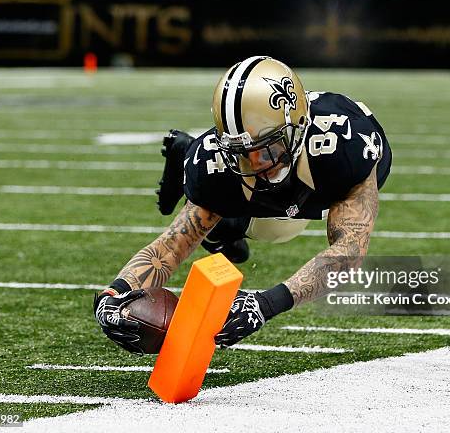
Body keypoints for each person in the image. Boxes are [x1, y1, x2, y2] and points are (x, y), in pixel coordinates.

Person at [94, 56, 392, 353]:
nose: (255, 164)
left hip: (318, 179)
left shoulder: (345, 144)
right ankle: (213, 207)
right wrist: (114, 293)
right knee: (246, 212)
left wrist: (265, 304)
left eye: (266, 148)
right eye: (240, 152)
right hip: (265, 183)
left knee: (281, 230)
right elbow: (171, 246)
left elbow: (349, 253)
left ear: (297, 127)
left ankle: (224, 224)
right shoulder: (217, 160)